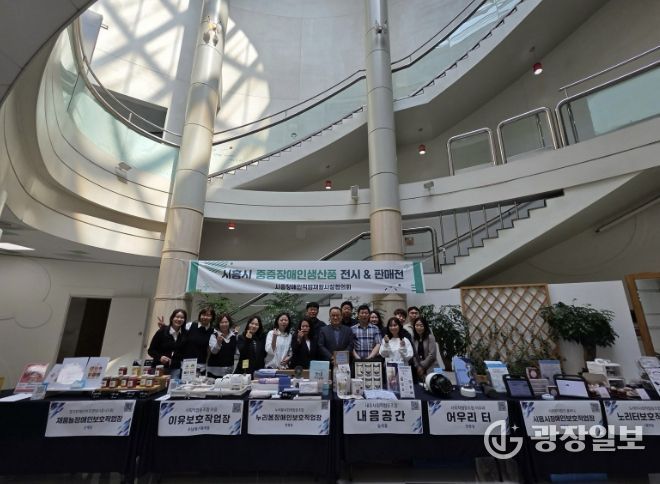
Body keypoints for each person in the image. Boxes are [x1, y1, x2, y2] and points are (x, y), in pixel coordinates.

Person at [147, 308, 188, 378]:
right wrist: (160, 357)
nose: (179, 319)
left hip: (175, 369)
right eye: (177, 317)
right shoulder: (162, 331)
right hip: (159, 368)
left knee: (173, 385)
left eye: (182, 318)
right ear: (172, 318)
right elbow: (151, 350)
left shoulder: (185, 334)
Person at [183, 307, 216, 374]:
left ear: (212, 317)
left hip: (201, 366)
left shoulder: (213, 331)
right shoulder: (190, 325)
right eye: (203, 315)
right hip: (186, 364)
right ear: (200, 316)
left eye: (208, 315)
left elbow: (212, 350)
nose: (205, 317)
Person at [207, 313, 238, 377]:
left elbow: (235, 352)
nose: (224, 324)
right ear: (218, 324)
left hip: (229, 372)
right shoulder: (214, 335)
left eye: (226, 322)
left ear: (229, 323)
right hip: (214, 372)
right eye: (221, 322)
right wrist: (218, 343)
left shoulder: (234, 336)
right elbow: (214, 352)